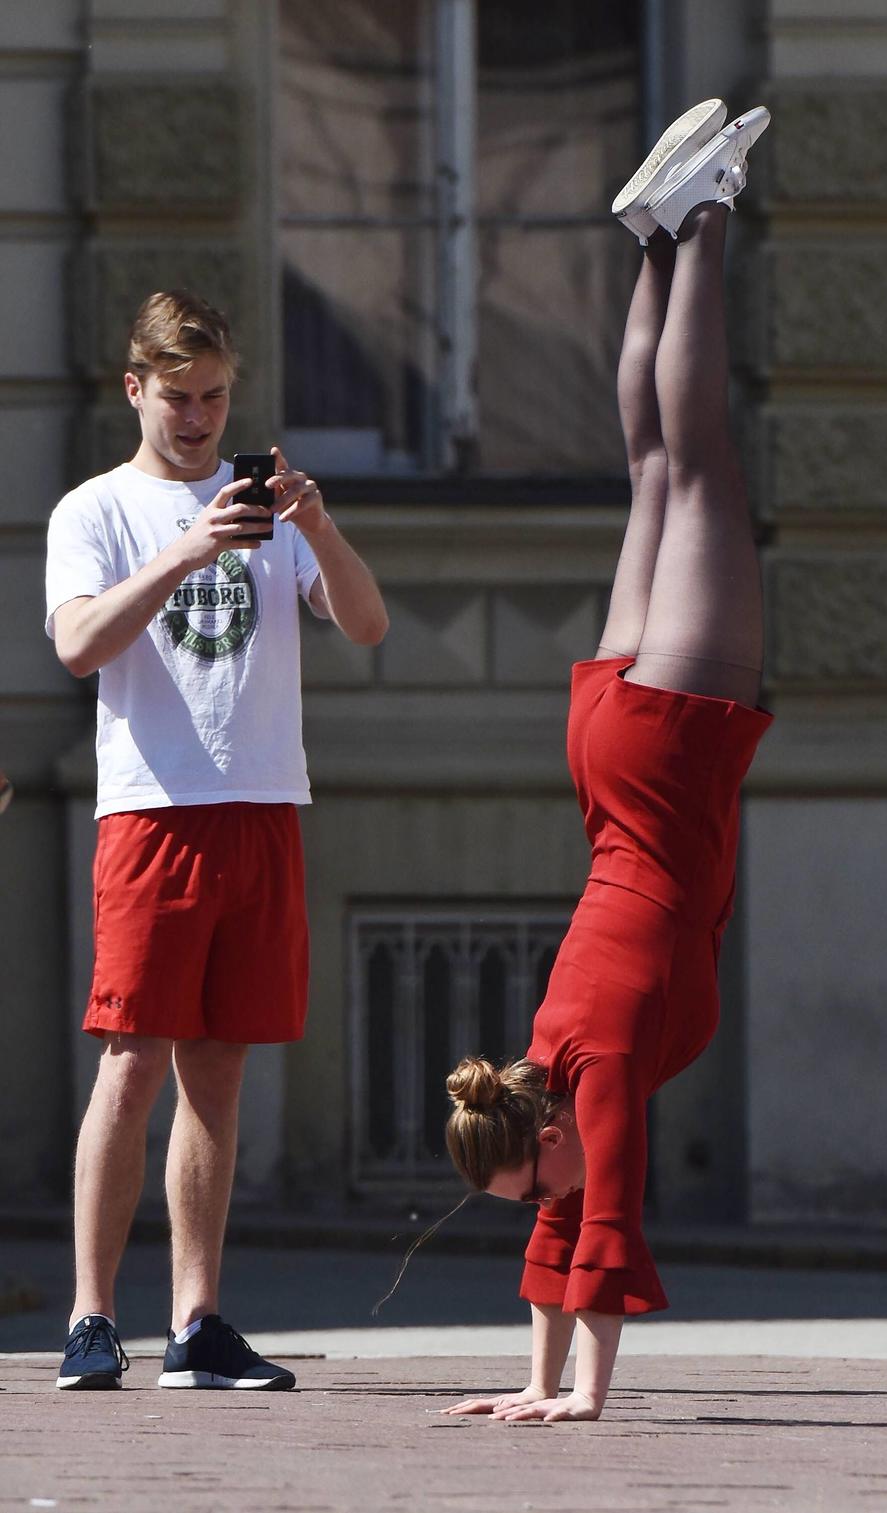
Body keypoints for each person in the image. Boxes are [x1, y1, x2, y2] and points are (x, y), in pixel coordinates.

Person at [441, 101, 771, 1423]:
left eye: (538, 1173)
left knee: (696, 471)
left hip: (667, 745)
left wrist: (582, 1394)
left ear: (539, 1133)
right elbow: (557, 1226)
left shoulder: (605, 1067)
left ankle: (699, 218)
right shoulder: (546, 1059)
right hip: (609, 754)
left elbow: (609, 1219)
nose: (555, 1191)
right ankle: (651, 234)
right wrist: (524, 1383)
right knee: (649, 471)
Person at [45, 289, 388, 1390]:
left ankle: (197, 1321)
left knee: (220, 1073)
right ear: (135, 388)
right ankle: (93, 1317)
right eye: (179, 398)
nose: (198, 420)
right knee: (133, 1058)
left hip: (262, 804)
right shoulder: (94, 509)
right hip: (152, 808)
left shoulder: (271, 512)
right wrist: (188, 550)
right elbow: (81, 645)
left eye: (216, 399)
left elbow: (369, 626)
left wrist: (318, 527)